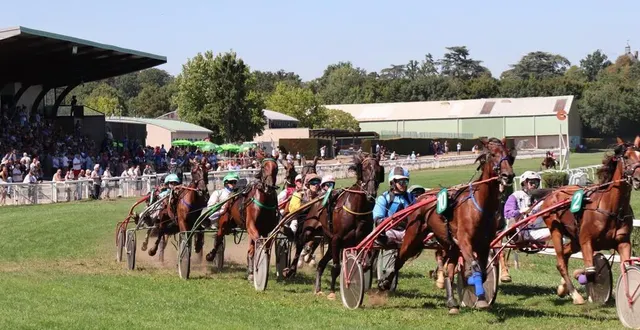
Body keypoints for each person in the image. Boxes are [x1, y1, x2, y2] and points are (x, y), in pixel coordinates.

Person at [500, 171, 550, 282]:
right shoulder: (515, 196)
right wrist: (521, 211)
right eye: (531, 183)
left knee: (556, 231)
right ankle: (503, 269)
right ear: (524, 183)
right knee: (513, 224)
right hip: (518, 231)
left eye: (536, 183)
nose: (534, 186)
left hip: (536, 232)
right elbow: (508, 213)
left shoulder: (541, 198)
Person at [373, 167, 416, 246]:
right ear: (393, 182)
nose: (404, 185)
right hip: (390, 231)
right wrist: (391, 221)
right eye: (401, 182)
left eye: (406, 182)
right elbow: (377, 219)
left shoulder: (411, 197)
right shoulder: (384, 198)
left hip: (407, 231)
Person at [286, 173, 322, 239]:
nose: (316, 185)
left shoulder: (321, 196)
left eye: (318, 182)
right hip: (300, 218)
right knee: (295, 222)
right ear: (308, 185)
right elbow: (293, 210)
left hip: (315, 219)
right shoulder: (299, 194)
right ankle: (291, 234)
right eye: (313, 182)